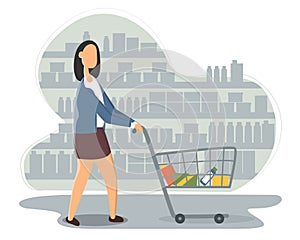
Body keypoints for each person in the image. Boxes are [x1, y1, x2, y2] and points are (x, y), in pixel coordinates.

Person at [66, 40, 143, 226]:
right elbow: (107, 115)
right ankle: (73, 216)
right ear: (81, 56)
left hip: (96, 135)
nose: (93, 57)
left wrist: (131, 122)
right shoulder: (85, 88)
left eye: (96, 54)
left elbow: (110, 109)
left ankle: (111, 214)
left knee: (104, 175)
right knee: (88, 176)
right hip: (88, 137)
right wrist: (131, 123)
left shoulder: (93, 83)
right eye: (89, 53)